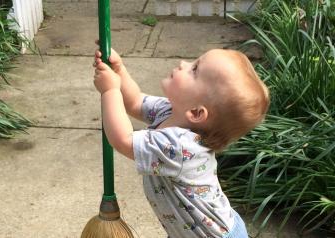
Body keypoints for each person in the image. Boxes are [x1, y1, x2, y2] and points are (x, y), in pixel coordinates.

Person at [92, 45, 269, 238]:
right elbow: (135, 102)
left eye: (194, 70)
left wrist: (110, 90)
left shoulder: (180, 146)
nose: (183, 63)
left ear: (196, 112)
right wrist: (119, 70)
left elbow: (122, 140)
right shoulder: (170, 111)